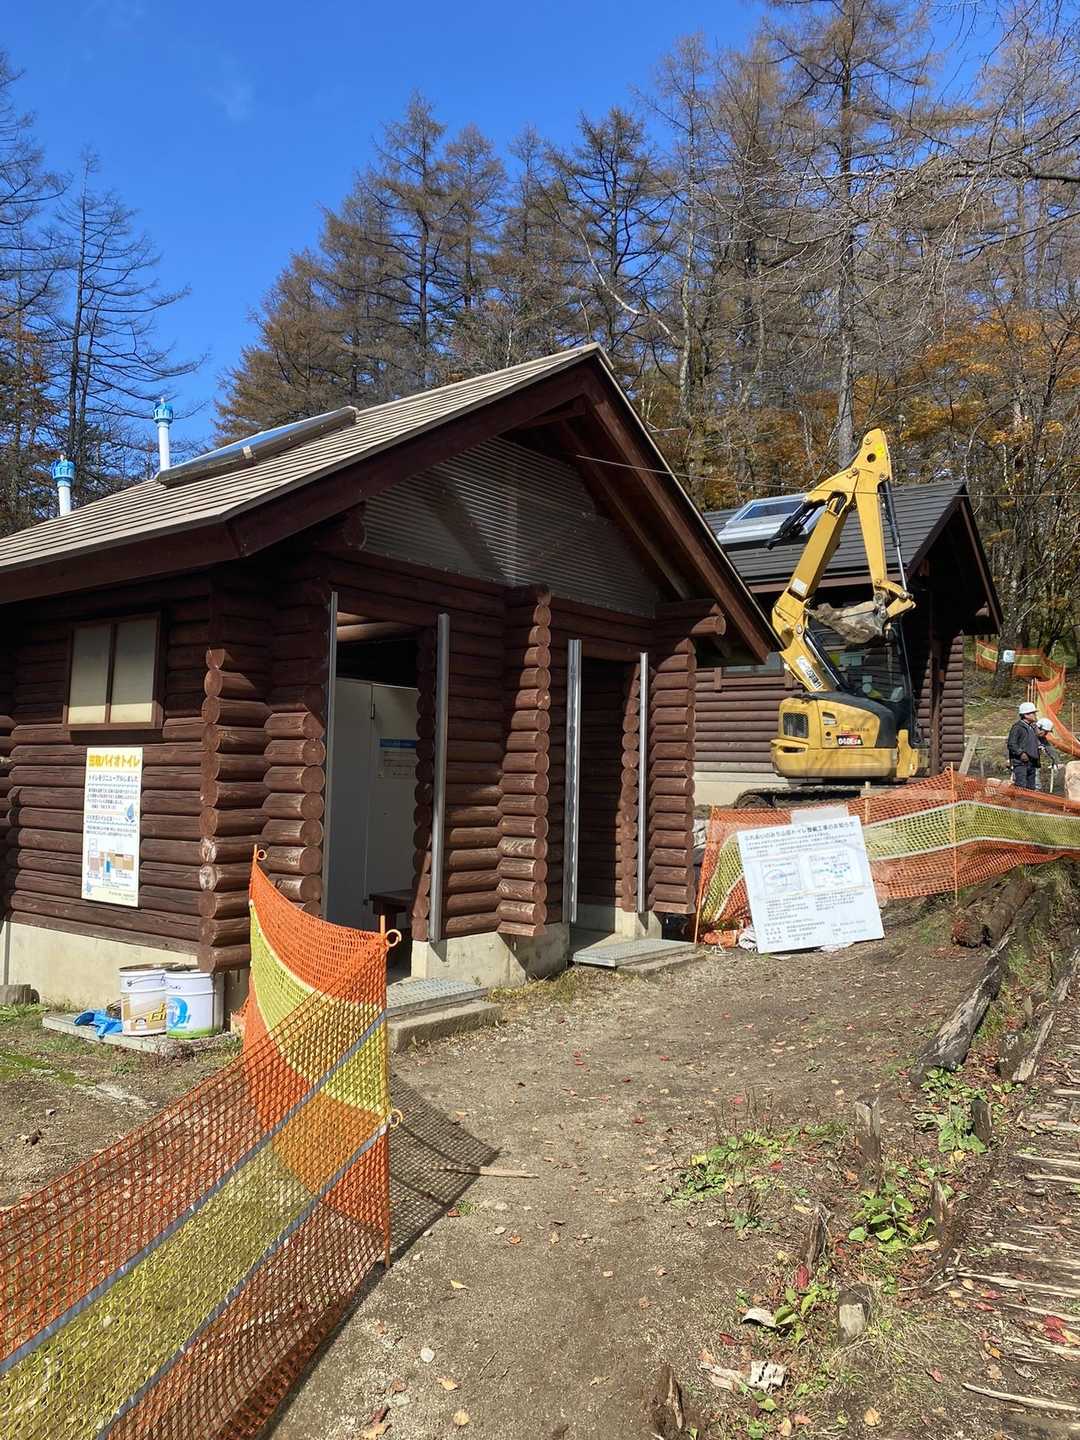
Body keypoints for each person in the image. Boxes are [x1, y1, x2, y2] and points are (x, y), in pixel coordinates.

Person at [1007, 701, 1040, 789]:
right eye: (1033, 713)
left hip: (1031, 763)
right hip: (1021, 764)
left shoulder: (1031, 728)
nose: (1035, 715)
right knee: (1021, 787)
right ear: (1026, 715)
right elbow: (1011, 744)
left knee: (1031, 788)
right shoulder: (1017, 727)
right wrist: (1021, 753)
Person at [1036, 716, 1059, 791]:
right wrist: (1009, 759)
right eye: (1045, 732)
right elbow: (1011, 744)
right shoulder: (1026, 732)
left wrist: (1055, 761)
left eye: (1047, 733)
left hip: (1034, 764)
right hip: (1021, 763)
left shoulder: (1041, 738)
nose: (1045, 734)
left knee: (1036, 785)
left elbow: (1050, 749)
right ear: (1039, 727)